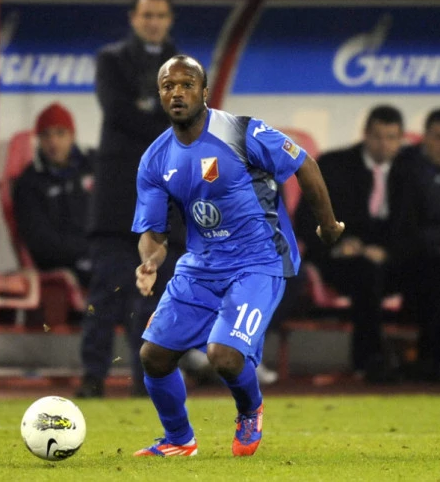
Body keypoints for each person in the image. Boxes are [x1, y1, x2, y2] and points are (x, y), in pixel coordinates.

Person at [132, 55, 343, 457]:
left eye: (187, 84)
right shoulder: (155, 159)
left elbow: (305, 164)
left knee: (224, 357)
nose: (177, 93)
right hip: (201, 266)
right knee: (153, 357)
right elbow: (154, 233)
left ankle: (250, 410)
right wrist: (150, 262)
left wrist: (328, 225)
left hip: (258, 262)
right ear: (159, 95)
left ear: (204, 91)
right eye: (168, 86)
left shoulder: (241, 131)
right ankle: (179, 439)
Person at [79, 0, 184, 398]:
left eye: (160, 15)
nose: (153, 22)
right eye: (147, 15)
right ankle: (93, 377)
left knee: (157, 297)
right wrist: (165, 120)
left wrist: (150, 110)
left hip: (166, 197)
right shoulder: (111, 60)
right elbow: (118, 110)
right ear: (133, 18)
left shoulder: (184, 65)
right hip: (117, 199)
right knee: (107, 292)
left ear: (169, 20)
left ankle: (149, 382)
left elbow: (190, 117)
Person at [294, 105, 404, 382]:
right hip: (339, 260)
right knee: (367, 272)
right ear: (365, 134)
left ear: (400, 139)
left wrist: (388, 251)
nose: (383, 144)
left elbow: (413, 226)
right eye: (377, 136)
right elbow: (306, 218)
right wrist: (337, 244)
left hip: (393, 260)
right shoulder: (334, 165)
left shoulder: (409, 171)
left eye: (391, 138)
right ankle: (369, 363)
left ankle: (425, 363)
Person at [12, 103, 93, 287]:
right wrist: (86, 249)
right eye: (46, 135)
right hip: (61, 265)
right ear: (38, 139)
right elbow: (41, 243)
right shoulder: (29, 183)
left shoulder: (94, 165)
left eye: (60, 133)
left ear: (72, 135)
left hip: (101, 254)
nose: (53, 142)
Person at [389, 109, 440, 381]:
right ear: (425, 137)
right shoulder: (408, 168)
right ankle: (429, 361)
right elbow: (407, 227)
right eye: (437, 137)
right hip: (413, 259)